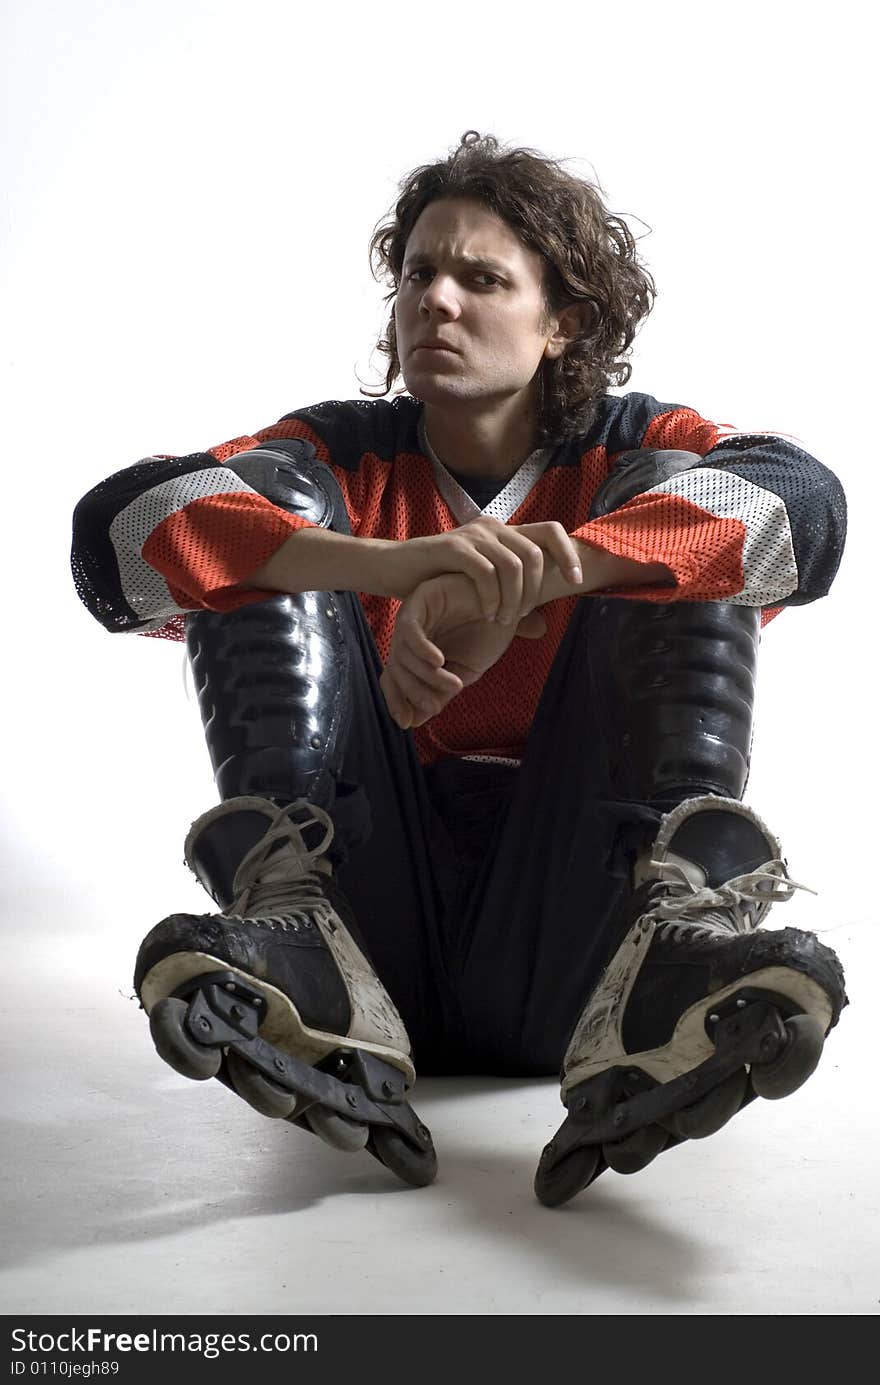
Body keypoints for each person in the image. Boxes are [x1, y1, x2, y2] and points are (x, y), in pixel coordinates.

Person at [71, 131, 848, 1204]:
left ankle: (681, 942)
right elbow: (119, 530)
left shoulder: (627, 443)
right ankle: (291, 922)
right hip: (357, 929)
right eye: (417, 274)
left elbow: (804, 512)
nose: (435, 300)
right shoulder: (339, 453)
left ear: (562, 321)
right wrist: (388, 565)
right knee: (257, 504)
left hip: (587, 939)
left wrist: (549, 575)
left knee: (676, 496)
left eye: (481, 278)